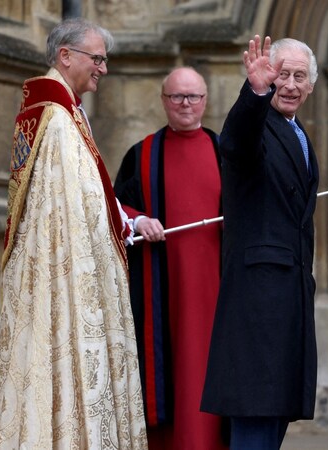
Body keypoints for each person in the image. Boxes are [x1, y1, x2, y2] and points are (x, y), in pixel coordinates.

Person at [0, 18, 151, 449]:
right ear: (65, 56)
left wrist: (126, 222)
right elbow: (67, 215)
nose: (103, 69)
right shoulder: (56, 119)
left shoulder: (64, 111)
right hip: (66, 278)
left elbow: (90, 196)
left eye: (104, 60)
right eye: (97, 59)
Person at [200, 35, 320, 450]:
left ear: (311, 86)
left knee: (273, 416)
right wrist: (254, 91)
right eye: (281, 74)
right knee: (255, 416)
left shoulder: (296, 131)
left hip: (289, 295)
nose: (288, 84)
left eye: (298, 77)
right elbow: (235, 142)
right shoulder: (258, 123)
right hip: (258, 298)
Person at [113, 66, 228, 450]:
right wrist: (140, 219)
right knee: (171, 373)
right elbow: (114, 209)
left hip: (217, 290)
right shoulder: (141, 155)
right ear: (163, 100)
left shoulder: (226, 151)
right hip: (161, 290)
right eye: (177, 96)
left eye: (193, 96)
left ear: (205, 101)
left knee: (210, 370)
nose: (185, 104)